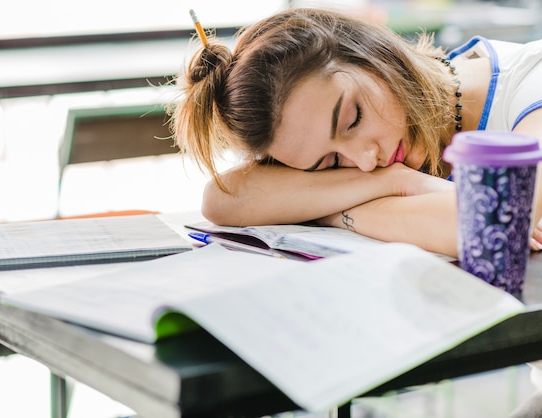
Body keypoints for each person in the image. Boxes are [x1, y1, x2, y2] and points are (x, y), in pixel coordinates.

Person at [168, 7, 542, 260]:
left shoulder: (530, 84)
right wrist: (395, 182)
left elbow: (488, 225)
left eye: (353, 118)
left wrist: (330, 212)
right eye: (330, 162)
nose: (366, 162)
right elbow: (222, 199)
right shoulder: (384, 169)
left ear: (372, 54)